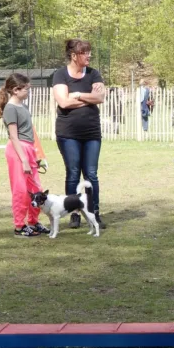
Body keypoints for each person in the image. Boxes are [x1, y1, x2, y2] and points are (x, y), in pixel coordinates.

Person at [52, 39, 107, 230]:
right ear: (74, 56)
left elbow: (100, 97)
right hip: (68, 134)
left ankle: (95, 213)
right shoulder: (60, 75)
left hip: (91, 132)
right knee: (73, 173)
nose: (89, 55)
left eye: (90, 52)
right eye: (85, 53)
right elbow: (64, 103)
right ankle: (74, 213)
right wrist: (87, 98)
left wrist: (76, 95)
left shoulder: (94, 74)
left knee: (91, 174)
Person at [0, 73, 48, 237]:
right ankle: (19, 226)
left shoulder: (23, 107)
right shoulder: (10, 109)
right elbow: (14, 136)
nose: (28, 92)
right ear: (16, 90)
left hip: (28, 149)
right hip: (17, 151)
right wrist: (24, 159)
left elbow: (29, 132)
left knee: (36, 189)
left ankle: (33, 222)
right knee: (20, 190)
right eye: (26, 89)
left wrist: (35, 154)